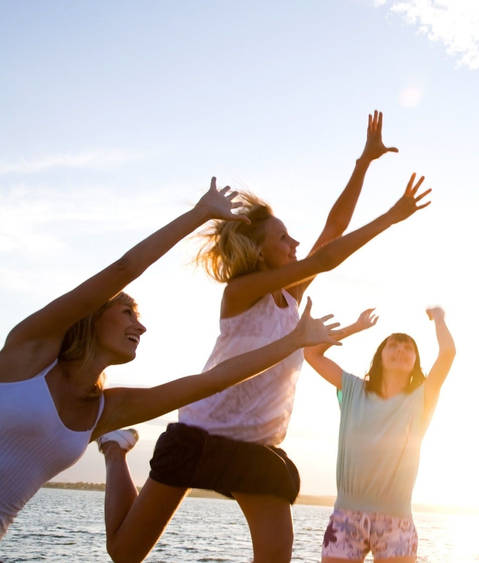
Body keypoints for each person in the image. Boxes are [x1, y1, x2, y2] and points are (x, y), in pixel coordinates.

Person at [99, 111, 433, 563]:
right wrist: (391, 216)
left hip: (256, 447)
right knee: (125, 553)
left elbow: (330, 233)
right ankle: (116, 453)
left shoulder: (291, 299)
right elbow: (326, 257)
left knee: (276, 556)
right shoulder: (240, 294)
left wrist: (363, 164)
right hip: (200, 433)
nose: (296, 243)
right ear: (260, 251)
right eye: (284, 238)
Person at [0, 180, 340, 539]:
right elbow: (124, 269)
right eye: (128, 312)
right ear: (94, 313)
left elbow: (216, 379)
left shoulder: (105, 410)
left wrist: (294, 341)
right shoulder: (29, 351)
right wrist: (198, 214)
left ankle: (115, 449)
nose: (141, 326)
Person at [304, 306, 456, 563]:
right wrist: (356, 326)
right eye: (394, 345)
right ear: (380, 356)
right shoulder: (352, 388)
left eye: (409, 348)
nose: (401, 350)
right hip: (346, 516)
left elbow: (448, 353)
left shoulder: (422, 399)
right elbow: (312, 353)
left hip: (396, 521)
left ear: (415, 363)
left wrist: (440, 317)